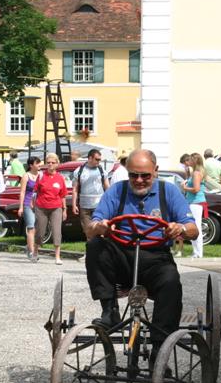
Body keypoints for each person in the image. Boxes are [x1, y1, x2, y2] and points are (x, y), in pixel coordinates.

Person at [84, 148, 197, 359]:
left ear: (155, 171)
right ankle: (110, 311)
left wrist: (179, 229)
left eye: (145, 175)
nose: (139, 180)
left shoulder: (169, 191)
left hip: (156, 258)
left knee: (171, 282)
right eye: (133, 175)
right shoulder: (117, 191)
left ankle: (160, 347)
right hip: (122, 256)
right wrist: (100, 227)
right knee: (95, 246)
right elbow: (91, 227)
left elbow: (193, 229)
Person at [34, 152, 67, 265]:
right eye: (48, 163)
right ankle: (35, 252)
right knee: (40, 232)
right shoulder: (41, 175)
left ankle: (57, 256)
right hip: (41, 207)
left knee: (57, 231)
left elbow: (62, 195)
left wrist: (64, 209)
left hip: (56, 207)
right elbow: (36, 191)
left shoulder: (60, 178)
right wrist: (33, 204)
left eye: (53, 163)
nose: (50, 165)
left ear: (57, 164)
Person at [72, 149, 110, 241]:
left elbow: (108, 188)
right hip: (85, 207)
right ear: (90, 158)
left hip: (99, 207)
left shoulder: (102, 171)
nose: (99, 161)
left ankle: (100, 252)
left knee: (100, 231)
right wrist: (74, 205)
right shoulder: (79, 171)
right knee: (88, 232)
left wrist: (109, 204)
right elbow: (75, 189)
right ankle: (90, 252)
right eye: (97, 159)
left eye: (99, 159)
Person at [181, 152, 206, 258]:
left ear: (194, 161)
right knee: (194, 227)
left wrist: (185, 187)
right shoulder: (196, 172)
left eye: (190, 159)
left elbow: (196, 189)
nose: (188, 161)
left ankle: (198, 253)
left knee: (196, 228)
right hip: (194, 202)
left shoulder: (196, 173)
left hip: (196, 202)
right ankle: (196, 252)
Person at [18, 156, 42, 261]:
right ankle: (32, 252)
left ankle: (29, 247)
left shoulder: (41, 175)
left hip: (39, 204)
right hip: (28, 204)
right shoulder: (26, 176)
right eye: (37, 163)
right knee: (31, 227)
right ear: (31, 165)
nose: (39, 165)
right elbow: (22, 192)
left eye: (39, 163)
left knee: (38, 228)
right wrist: (21, 207)